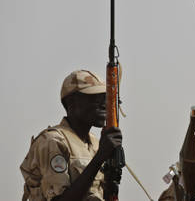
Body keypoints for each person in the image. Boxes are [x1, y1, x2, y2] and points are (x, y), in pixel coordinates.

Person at [20, 70, 123, 201]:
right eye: (94, 97)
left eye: (105, 97)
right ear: (71, 102)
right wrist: (99, 158)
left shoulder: (95, 144)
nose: (104, 104)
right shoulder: (53, 141)